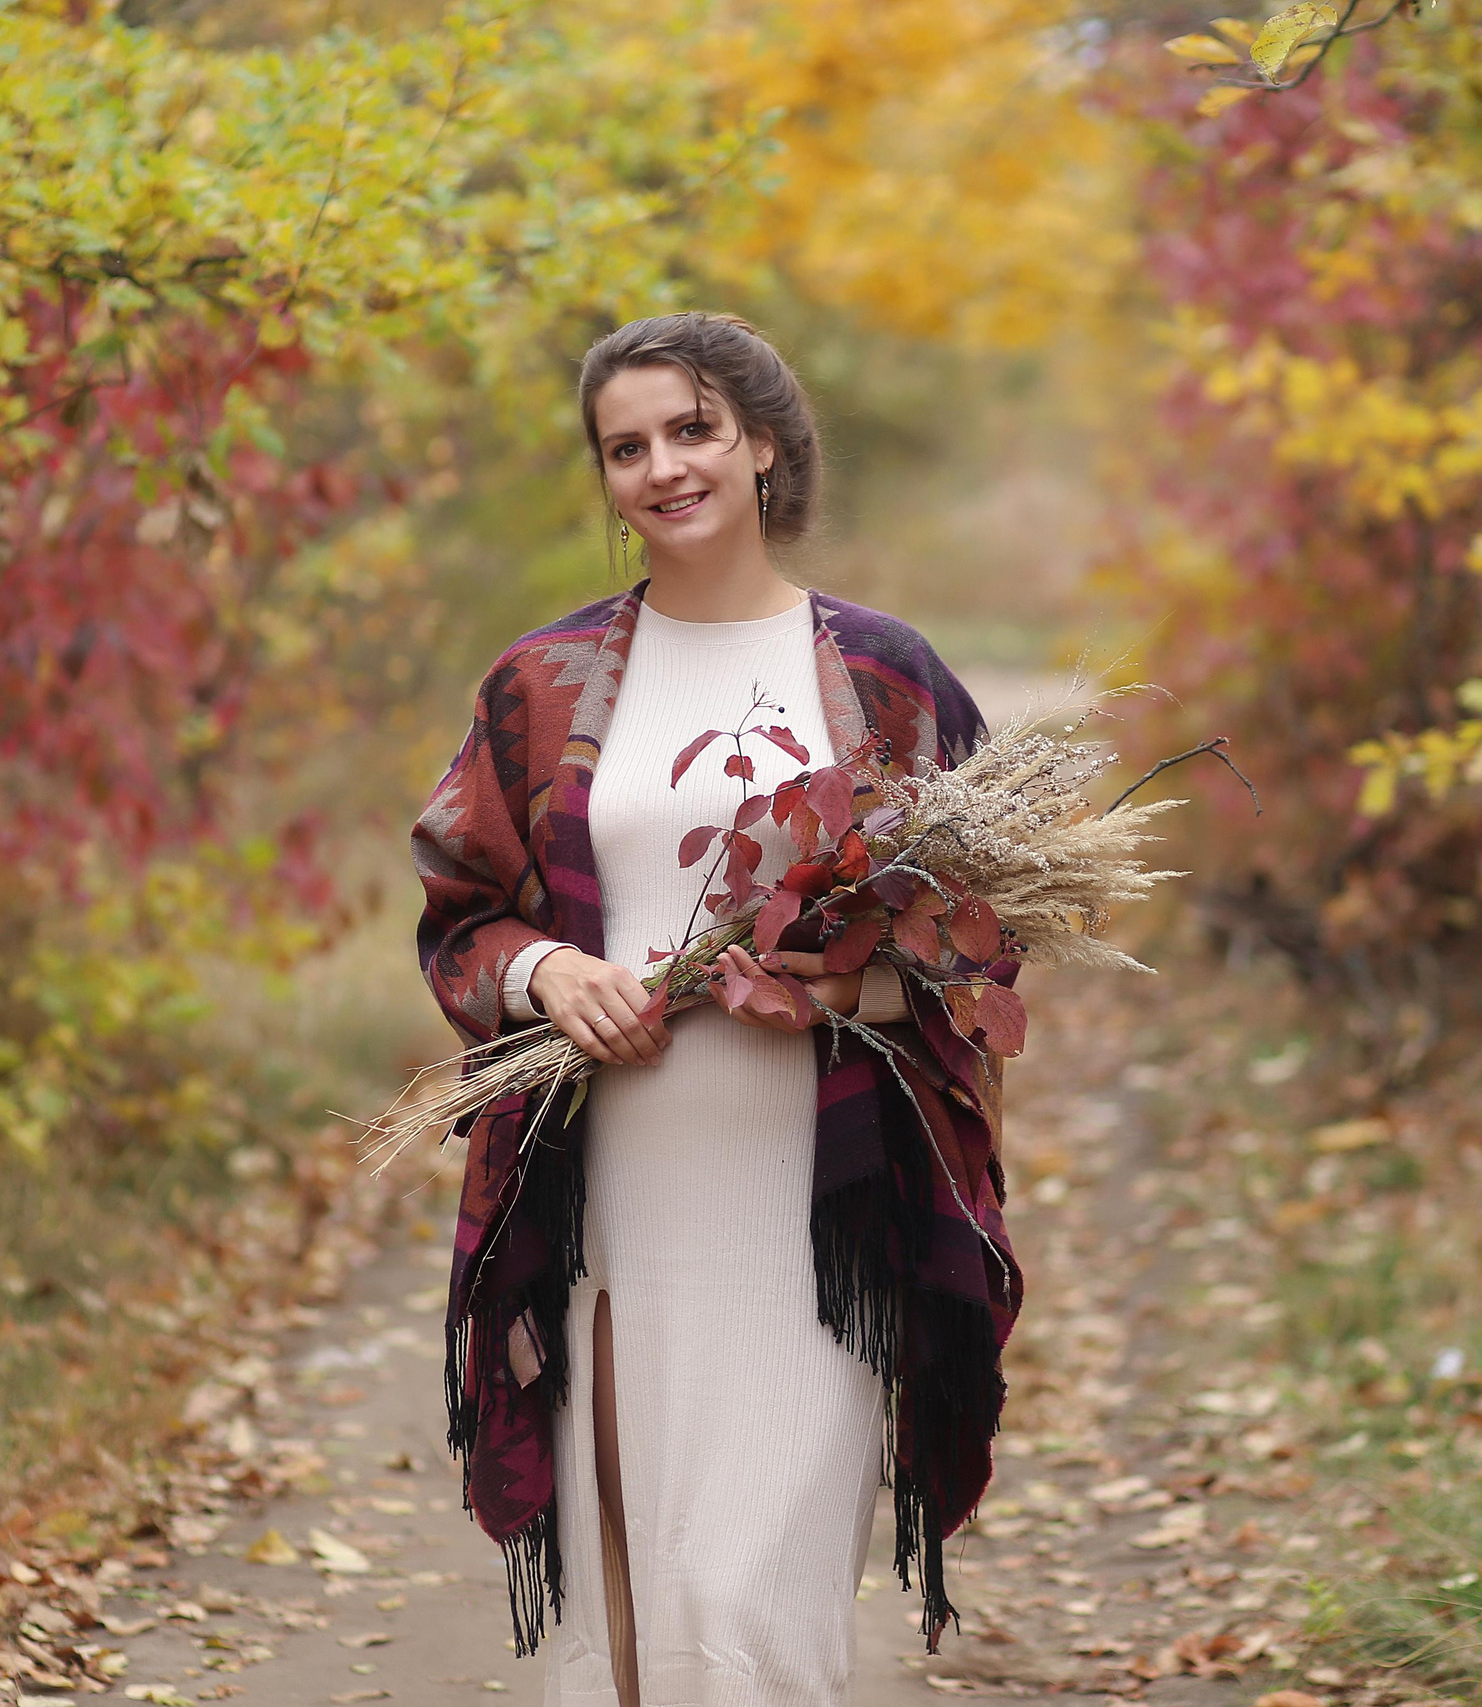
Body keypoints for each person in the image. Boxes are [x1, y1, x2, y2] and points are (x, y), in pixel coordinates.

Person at [413, 313, 1021, 1707]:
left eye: (691, 430)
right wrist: (548, 974)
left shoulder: (884, 676)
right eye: (625, 448)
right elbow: (462, 910)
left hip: (822, 1211)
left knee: (749, 1608)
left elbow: (986, 950)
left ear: (760, 444)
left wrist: (844, 992)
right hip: (613, 1208)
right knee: (648, 1614)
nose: (661, 468)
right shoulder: (542, 682)